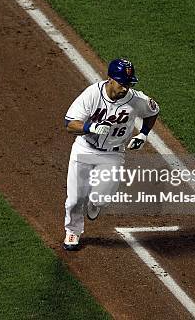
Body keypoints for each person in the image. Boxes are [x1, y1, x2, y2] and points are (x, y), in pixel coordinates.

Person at [62, 58, 160, 251]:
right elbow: (69, 123)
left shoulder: (137, 100)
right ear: (110, 79)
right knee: (74, 199)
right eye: (122, 83)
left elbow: (153, 111)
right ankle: (73, 231)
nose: (125, 88)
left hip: (112, 155)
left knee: (101, 200)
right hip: (84, 149)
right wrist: (92, 126)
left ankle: (94, 202)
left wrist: (143, 134)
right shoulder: (92, 94)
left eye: (129, 84)